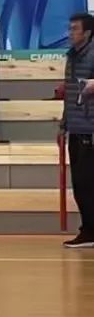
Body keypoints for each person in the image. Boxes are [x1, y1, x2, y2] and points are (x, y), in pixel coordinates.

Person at [62, 12, 94, 247]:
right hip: (76, 127)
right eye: (70, 28)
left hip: (90, 130)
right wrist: (64, 123)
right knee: (80, 184)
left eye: (75, 29)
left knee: (87, 183)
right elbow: (72, 94)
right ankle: (89, 229)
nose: (70, 33)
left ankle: (90, 231)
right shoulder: (72, 56)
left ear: (88, 33)